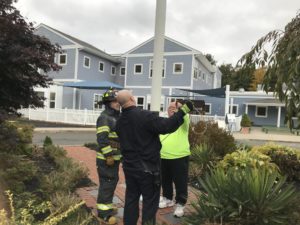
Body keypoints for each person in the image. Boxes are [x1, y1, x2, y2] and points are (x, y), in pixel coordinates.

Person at [115, 90, 193, 225]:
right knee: (150, 204)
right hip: (148, 169)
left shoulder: (119, 121)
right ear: (132, 99)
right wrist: (183, 110)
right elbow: (166, 126)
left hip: (130, 168)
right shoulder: (144, 116)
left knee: (131, 200)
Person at [159, 101, 191, 217]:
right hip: (164, 156)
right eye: (170, 107)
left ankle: (180, 203)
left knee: (180, 182)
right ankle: (168, 198)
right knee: (165, 180)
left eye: (175, 107)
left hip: (180, 156)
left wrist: (181, 109)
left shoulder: (183, 121)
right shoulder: (165, 122)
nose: (172, 109)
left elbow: (184, 114)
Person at [95, 88, 121, 225]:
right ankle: (103, 214)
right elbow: (102, 139)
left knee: (112, 182)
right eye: (114, 101)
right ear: (108, 103)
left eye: (118, 101)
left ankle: (108, 206)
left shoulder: (116, 117)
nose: (118, 103)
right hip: (106, 160)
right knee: (107, 183)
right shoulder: (105, 118)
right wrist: (108, 155)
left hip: (114, 159)